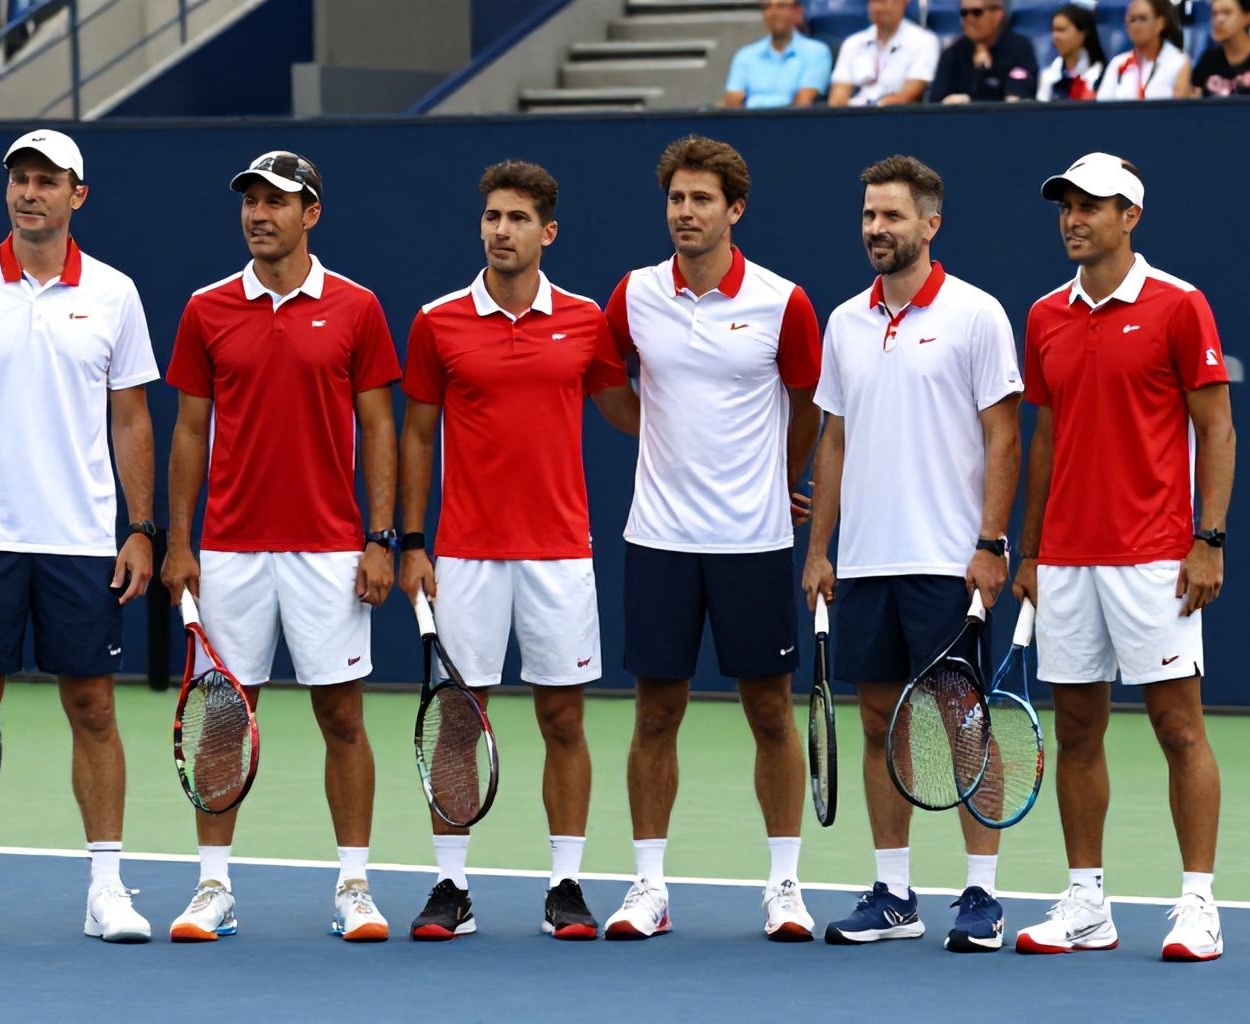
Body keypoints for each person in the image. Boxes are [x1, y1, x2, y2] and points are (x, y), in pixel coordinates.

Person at [0, 129, 161, 947]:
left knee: (94, 707)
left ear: (78, 195)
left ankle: (107, 889)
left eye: (48, 180)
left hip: (81, 541)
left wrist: (141, 528)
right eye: (20, 179)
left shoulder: (115, 292)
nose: (30, 192)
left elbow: (131, 419)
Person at [159, 150, 400, 945]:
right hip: (230, 549)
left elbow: (379, 427)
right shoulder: (206, 309)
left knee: (342, 717)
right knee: (224, 721)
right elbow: (189, 431)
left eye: (277, 202)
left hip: (330, 550)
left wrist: (379, 537)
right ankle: (213, 887)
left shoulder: (358, 307)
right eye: (251, 201)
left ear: (311, 214)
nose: (259, 214)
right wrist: (181, 544)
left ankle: (355, 886)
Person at [398, 160, 639, 942]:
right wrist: (411, 542)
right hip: (465, 554)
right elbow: (417, 436)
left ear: (548, 232)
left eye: (518, 218)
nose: (501, 231)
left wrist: (747, 455)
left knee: (563, 718)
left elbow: (634, 416)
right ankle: (451, 884)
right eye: (492, 217)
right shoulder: (437, 321)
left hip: (559, 554)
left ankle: (566, 884)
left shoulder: (585, 320)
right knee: (458, 721)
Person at [1012, 152, 1236, 963]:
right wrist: (1031, 550)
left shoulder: (1179, 304)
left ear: (1129, 217)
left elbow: (1216, 427)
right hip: (1067, 559)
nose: (1073, 220)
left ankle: (1199, 903)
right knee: (1077, 731)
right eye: (1065, 206)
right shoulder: (1044, 315)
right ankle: (1087, 904)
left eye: (1090, 206)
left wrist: (1208, 538)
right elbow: (1045, 438)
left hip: (1154, 558)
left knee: (1178, 728)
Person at [602, 135, 823, 942]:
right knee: (655, 713)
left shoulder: (782, 302)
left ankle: (785, 885)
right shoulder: (633, 294)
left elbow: (808, 403)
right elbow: (606, 380)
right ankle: (649, 885)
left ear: (736, 210)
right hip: (659, 539)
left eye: (702, 200)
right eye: (676, 199)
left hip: (753, 543)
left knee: (769, 712)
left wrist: (778, 476)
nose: (686, 213)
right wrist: (658, 437)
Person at [802, 155, 1023, 954]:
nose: (876, 228)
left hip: (946, 563)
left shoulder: (976, 314)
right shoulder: (844, 322)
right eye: (869, 215)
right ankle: (894, 893)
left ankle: (983, 894)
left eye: (892, 216)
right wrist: (819, 550)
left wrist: (990, 543)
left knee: (964, 723)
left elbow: (1004, 436)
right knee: (877, 722)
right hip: (866, 563)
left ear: (931, 224)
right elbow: (834, 441)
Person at [828, 0, 939, 107]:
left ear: (903, 3)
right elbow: (837, 99)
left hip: (895, 115)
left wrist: (873, 107)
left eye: (885, 2)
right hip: (854, 115)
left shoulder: (924, 41)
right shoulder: (852, 43)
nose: (878, 8)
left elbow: (908, 95)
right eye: (874, 1)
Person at [723, 0, 833, 108]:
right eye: (767, 7)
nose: (773, 13)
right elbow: (732, 102)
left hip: (790, 119)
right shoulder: (745, 55)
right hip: (748, 119)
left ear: (798, 13)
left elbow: (804, 102)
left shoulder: (816, 52)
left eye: (781, 6)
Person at [929, 0, 1038, 103]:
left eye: (977, 12)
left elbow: (1017, 99)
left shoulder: (1019, 48)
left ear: (997, 14)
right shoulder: (952, 53)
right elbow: (936, 102)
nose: (969, 19)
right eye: (964, 13)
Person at [1099, 0, 1191, 99]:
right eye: (1132, 20)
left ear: (1160, 23)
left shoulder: (1178, 62)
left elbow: (1179, 107)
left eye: (1143, 19)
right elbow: (1102, 105)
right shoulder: (1118, 64)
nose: (1136, 26)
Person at [1192, 0, 1250, 96]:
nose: (1219, 20)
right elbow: (1194, 99)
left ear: (1247, 16)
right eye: (1214, 14)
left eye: (1227, 13)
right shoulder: (1208, 59)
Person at [1037, 3, 1105, 101]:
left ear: (1082, 33)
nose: (1055, 36)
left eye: (1061, 30)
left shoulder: (1101, 73)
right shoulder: (1049, 76)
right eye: (1054, 30)